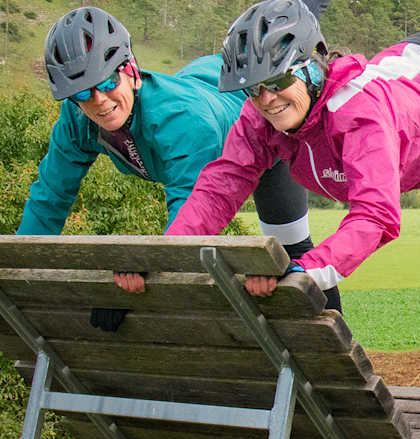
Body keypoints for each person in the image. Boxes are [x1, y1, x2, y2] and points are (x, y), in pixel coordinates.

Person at [163, 0, 420, 432]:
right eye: (254, 88)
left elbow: (375, 215)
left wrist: (303, 269)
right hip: (415, 53)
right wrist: (168, 253)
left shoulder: (360, 115)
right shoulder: (261, 117)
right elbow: (220, 185)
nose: (267, 99)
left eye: (279, 79)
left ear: (311, 64)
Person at [21, 4, 339, 328]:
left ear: (130, 69)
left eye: (106, 83)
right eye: (81, 93)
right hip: (204, 82)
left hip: (258, 134)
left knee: (292, 248)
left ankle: (337, 352)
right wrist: (15, 275)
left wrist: (129, 294)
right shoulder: (77, 120)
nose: (98, 100)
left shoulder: (182, 123)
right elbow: (50, 197)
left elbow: (189, 227)